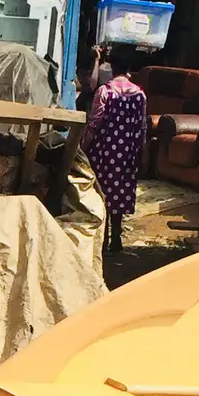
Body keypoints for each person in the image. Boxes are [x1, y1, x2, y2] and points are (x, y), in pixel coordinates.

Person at [81, 49, 148, 254]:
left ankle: (102, 239)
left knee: (101, 194)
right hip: (127, 152)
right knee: (119, 194)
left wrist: (82, 147)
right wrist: (140, 152)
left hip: (104, 151)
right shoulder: (139, 94)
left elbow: (94, 122)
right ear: (128, 69)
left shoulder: (104, 91)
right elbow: (142, 126)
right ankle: (116, 239)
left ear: (113, 68)